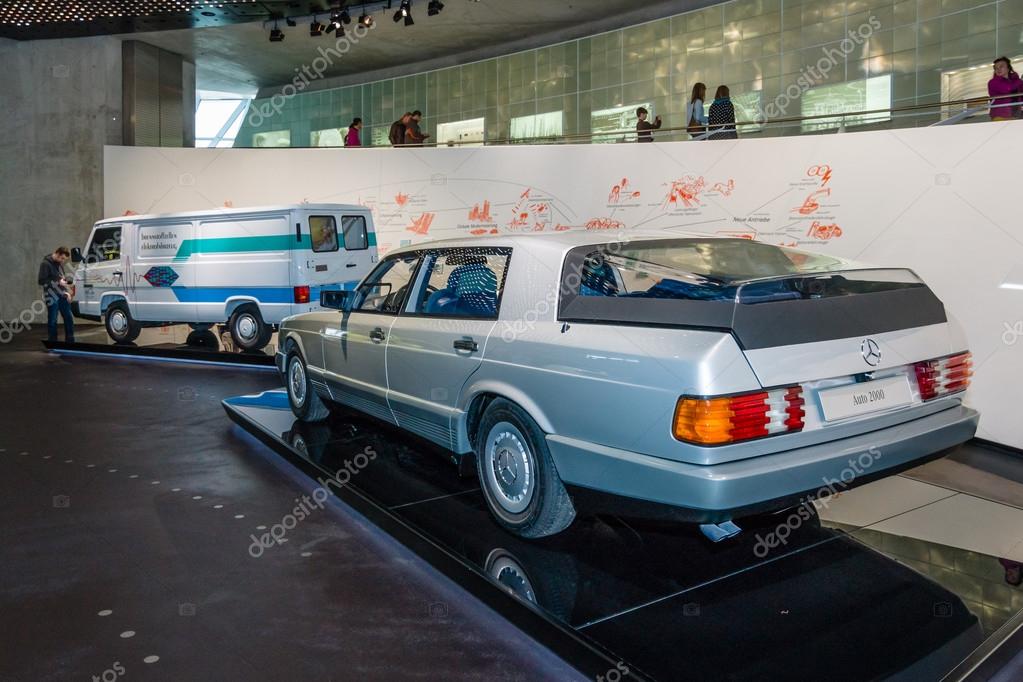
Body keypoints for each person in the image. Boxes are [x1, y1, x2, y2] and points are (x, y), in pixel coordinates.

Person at [38, 246, 75, 343]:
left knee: (68, 317)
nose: (63, 261)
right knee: (53, 319)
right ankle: (53, 342)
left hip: (62, 294)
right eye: (62, 258)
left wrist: (66, 292)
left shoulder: (59, 264)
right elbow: (41, 281)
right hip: (51, 295)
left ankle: (70, 341)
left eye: (64, 259)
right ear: (57, 254)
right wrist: (58, 282)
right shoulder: (45, 264)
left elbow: (61, 279)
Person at [988, 56, 1022, 121]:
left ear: (1008, 68)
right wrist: (1020, 81)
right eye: (996, 68)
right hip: (1000, 116)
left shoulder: (1016, 81)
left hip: (1017, 113)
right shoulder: (993, 82)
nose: (998, 69)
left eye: (1001, 66)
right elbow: (1008, 89)